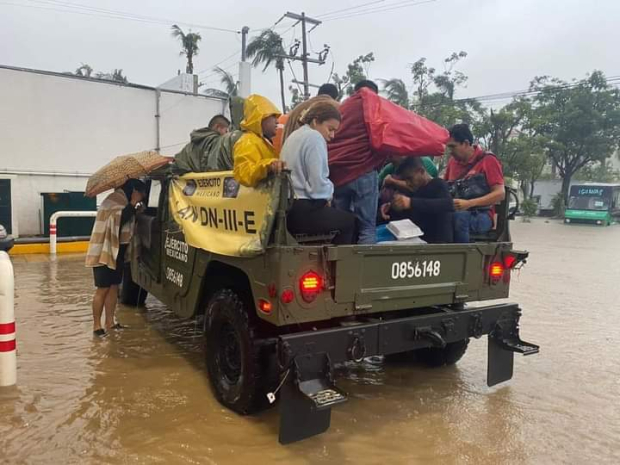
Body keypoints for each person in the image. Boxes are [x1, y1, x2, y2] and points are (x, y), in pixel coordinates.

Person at [280, 102, 356, 245]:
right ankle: (338, 266)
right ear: (315, 121)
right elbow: (317, 185)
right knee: (350, 222)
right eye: (330, 129)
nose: (332, 135)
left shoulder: (294, 135)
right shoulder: (315, 138)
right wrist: (329, 194)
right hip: (302, 209)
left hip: (287, 208)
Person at [86, 179, 147, 337]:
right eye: (141, 193)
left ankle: (110, 322)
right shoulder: (113, 200)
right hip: (104, 251)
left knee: (113, 287)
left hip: (117, 252)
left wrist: (135, 208)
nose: (142, 196)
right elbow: (117, 221)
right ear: (133, 191)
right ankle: (96, 326)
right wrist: (133, 204)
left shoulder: (124, 201)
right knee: (103, 289)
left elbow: (126, 222)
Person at [328, 80, 382, 244]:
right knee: (367, 228)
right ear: (373, 93)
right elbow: (382, 138)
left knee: (340, 226)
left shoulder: (342, 108)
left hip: (339, 175)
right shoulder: (375, 107)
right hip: (364, 171)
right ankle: (364, 269)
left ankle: (340, 266)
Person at [444, 124, 505, 243]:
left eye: (453, 147)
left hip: (481, 215)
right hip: (455, 212)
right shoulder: (452, 162)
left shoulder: (488, 160)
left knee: (459, 218)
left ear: (466, 143)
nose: (450, 152)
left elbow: (500, 193)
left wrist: (469, 203)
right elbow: (444, 186)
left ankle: (460, 258)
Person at [380, 157, 454, 243]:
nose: (407, 183)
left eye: (410, 178)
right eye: (405, 180)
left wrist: (411, 203)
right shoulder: (415, 190)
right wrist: (391, 207)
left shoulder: (438, 184)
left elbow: (448, 204)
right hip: (416, 240)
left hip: (438, 243)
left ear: (421, 171)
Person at [233, 94, 284, 187]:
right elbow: (244, 173)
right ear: (259, 117)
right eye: (273, 116)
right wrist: (268, 165)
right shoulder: (247, 141)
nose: (277, 121)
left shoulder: (262, 141)